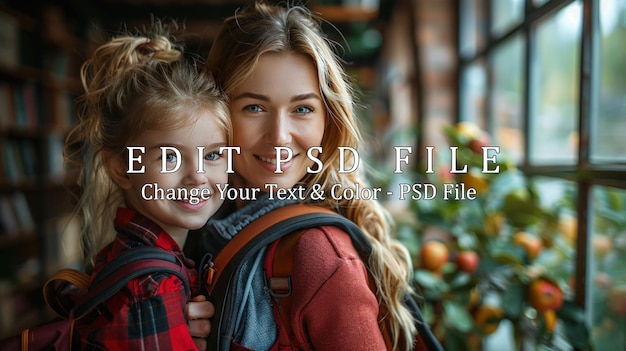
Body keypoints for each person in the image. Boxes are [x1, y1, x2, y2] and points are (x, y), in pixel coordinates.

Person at [184, 2, 421, 350]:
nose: (279, 135)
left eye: (302, 109)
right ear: (215, 114)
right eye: (254, 107)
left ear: (328, 122)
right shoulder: (199, 226)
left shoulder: (320, 254)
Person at [64, 20, 228, 350]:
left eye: (213, 156)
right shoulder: (151, 286)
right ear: (121, 167)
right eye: (169, 157)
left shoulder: (131, 256)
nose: (197, 176)